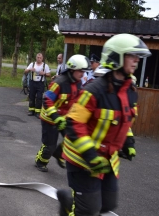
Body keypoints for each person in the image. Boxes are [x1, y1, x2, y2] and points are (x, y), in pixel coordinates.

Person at [57, 33, 151, 216]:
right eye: (132, 56)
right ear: (116, 57)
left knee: (108, 204)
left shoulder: (130, 91)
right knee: (88, 209)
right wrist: (91, 156)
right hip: (82, 158)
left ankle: (70, 199)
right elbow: (74, 123)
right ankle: (71, 204)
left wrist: (128, 142)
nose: (136, 61)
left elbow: (125, 121)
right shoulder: (94, 90)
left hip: (107, 159)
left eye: (138, 57)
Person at [35, 54, 91, 172]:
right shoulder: (59, 82)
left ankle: (58, 154)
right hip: (50, 118)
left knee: (72, 139)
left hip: (64, 118)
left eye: (84, 71)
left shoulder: (78, 83)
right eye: (81, 71)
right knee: (50, 145)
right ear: (72, 69)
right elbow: (47, 100)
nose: (82, 74)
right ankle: (41, 162)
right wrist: (55, 116)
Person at [24, 53, 51, 118]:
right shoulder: (32, 64)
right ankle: (31, 110)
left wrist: (44, 73)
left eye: (40, 58)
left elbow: (49, 74)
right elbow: (25, 71)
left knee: (39, 97)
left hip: (40, 83)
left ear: (42, 58)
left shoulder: (45, 66)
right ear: (36, 58)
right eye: (37, 57)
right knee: (31, 96)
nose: (39, 59)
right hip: (33, 83)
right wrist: (30, 69)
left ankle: (38, 112)